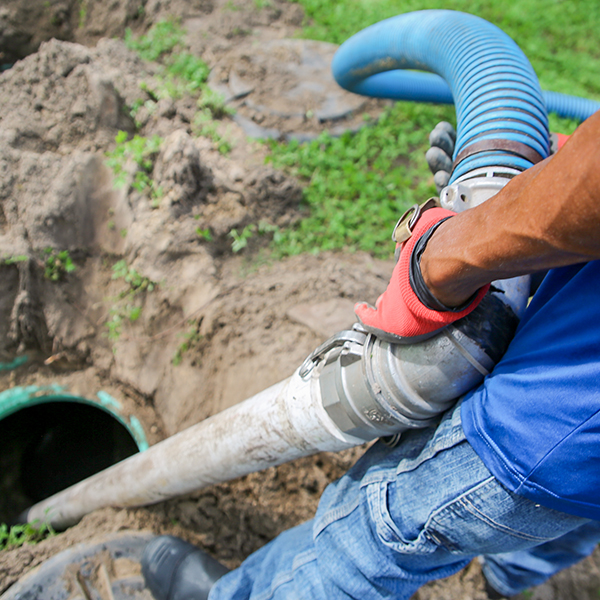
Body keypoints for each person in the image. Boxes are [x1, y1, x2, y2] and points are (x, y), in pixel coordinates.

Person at [141, 110, 600, 600]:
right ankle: (507, 577)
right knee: (576, 511)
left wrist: (438, 261)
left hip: (556, 420)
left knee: (369, 537)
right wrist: (553, 174)